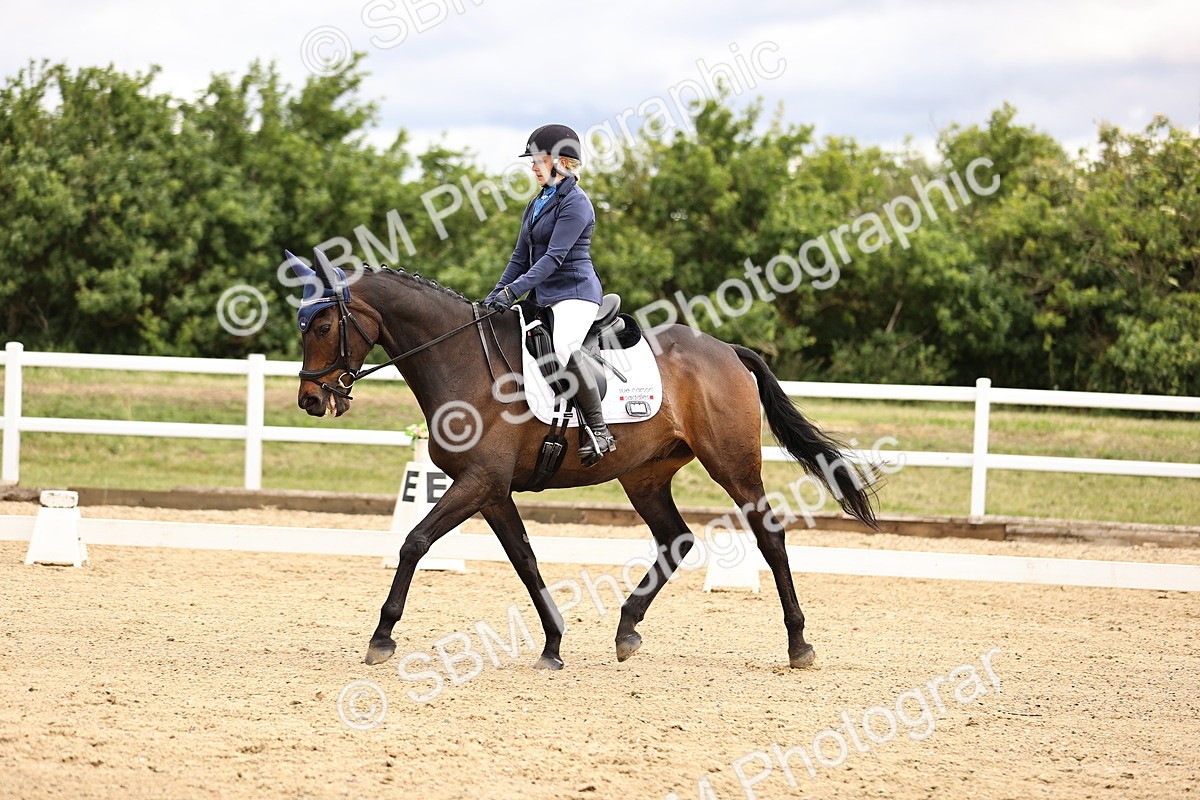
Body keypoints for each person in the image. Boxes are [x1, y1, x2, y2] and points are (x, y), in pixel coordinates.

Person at [482, 124, 616, 466]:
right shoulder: (537, 203)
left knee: (563, 347)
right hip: (542, 294)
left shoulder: (577, 203)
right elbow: (519, 257)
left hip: (575, 292)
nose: (532, 168)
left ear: (560, 162)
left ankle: (599, 430)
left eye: (538, 161)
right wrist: (494, 296)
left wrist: (514, 291)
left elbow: (553, 258)